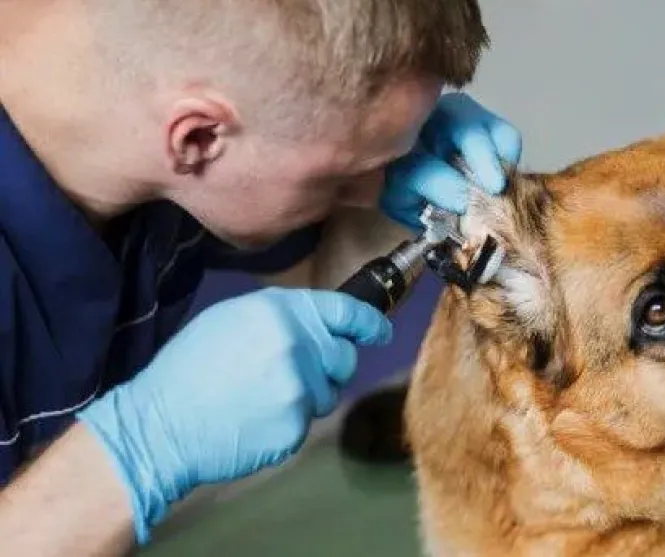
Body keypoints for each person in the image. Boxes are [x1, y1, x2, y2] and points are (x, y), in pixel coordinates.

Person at [0, 1, 522, 555]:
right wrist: (139, 451)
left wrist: (403, 180)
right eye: (343, 177)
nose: (371, 188)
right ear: (198, 138)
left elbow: (319, 281)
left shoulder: (146, 121)